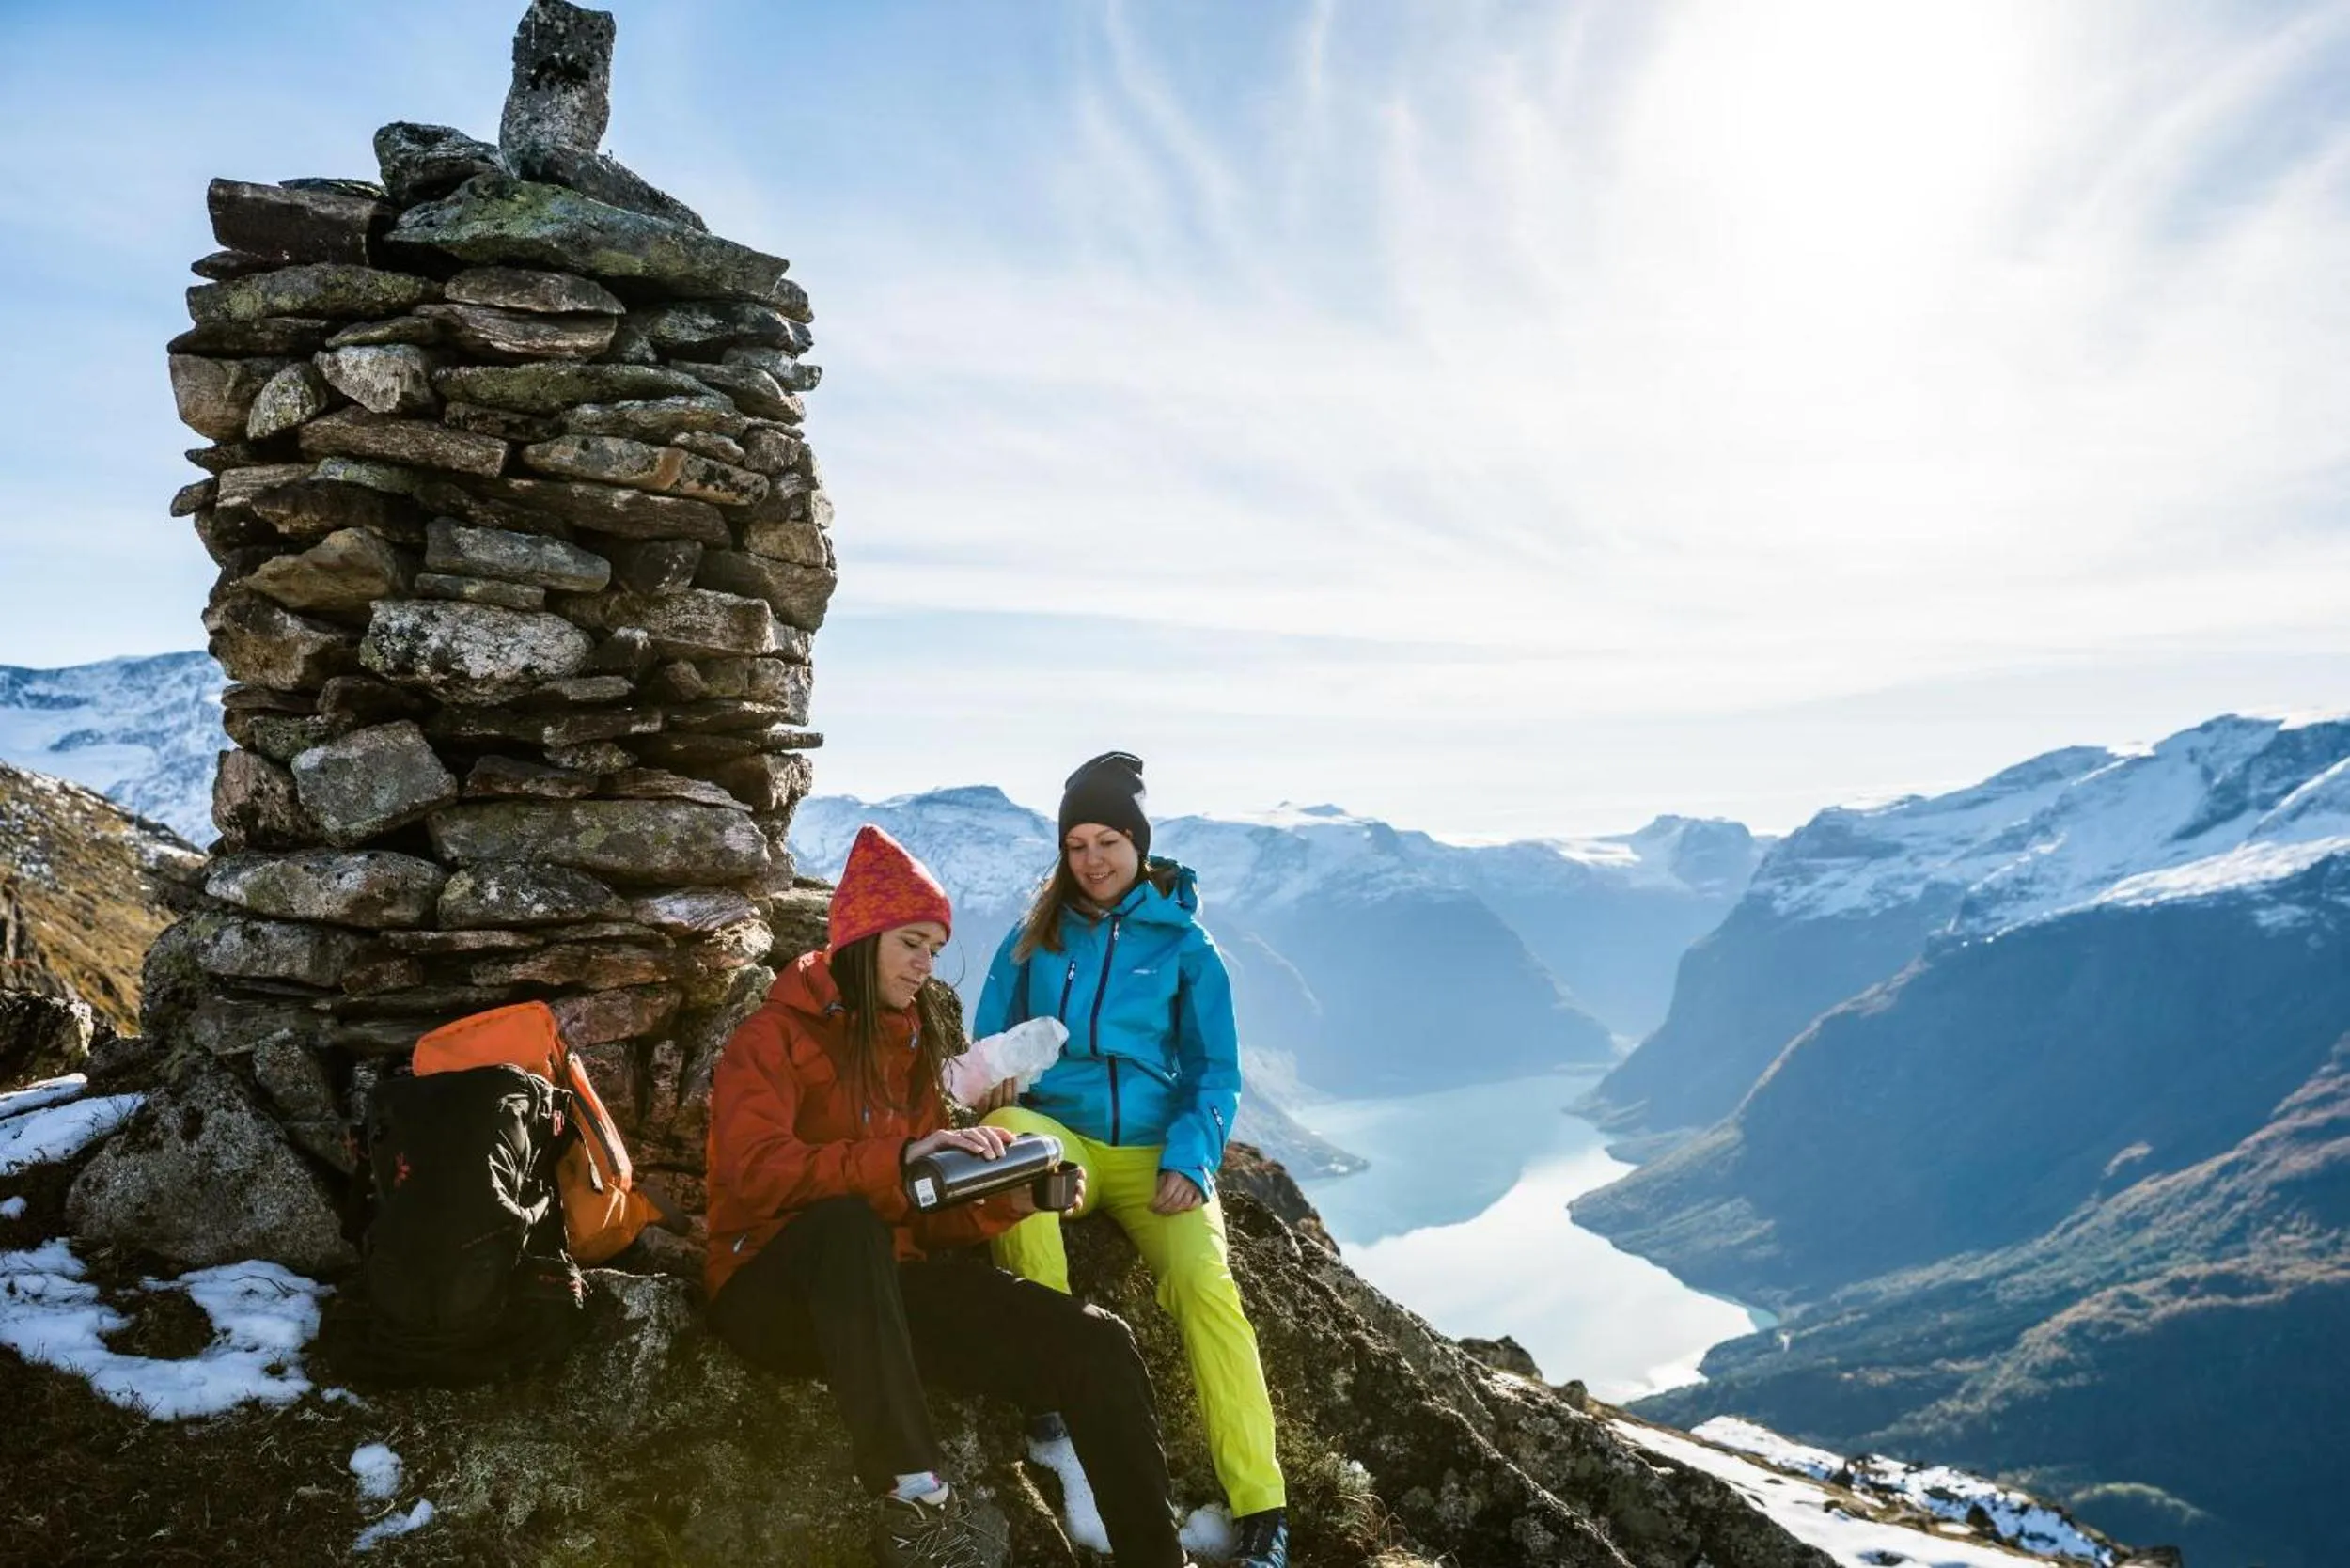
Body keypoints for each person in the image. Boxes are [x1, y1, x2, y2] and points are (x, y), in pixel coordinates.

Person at [704, 823, 1191, 1568]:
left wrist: (1014, 1200)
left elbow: (925, 1212)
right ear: (862, 938)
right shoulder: (770, 1038)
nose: (927, 964)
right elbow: (755, 1171)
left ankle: (1156, 1558)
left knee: (1097, 1343)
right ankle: (916, 1505)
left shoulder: (906, 1047)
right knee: (845, 1225)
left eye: (935, 948)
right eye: (912, 944)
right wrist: (897, 1155)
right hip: (770, 1293)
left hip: (884, 1297)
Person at [972, 752, 1291, 1568]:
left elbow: (1214, 1072)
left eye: (1108, 839)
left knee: (1207, 1291)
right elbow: (985, 1048)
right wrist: (992, 1084)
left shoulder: (1188, 947)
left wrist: (1191, 1157)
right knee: (1013, 1140)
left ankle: (1262, 1513)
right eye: (1076, 843)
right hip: (1064, 1137)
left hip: (1155, 1157)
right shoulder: (1032, 938)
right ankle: (1048, 1389)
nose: (1092, 859)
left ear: (1139, 844)